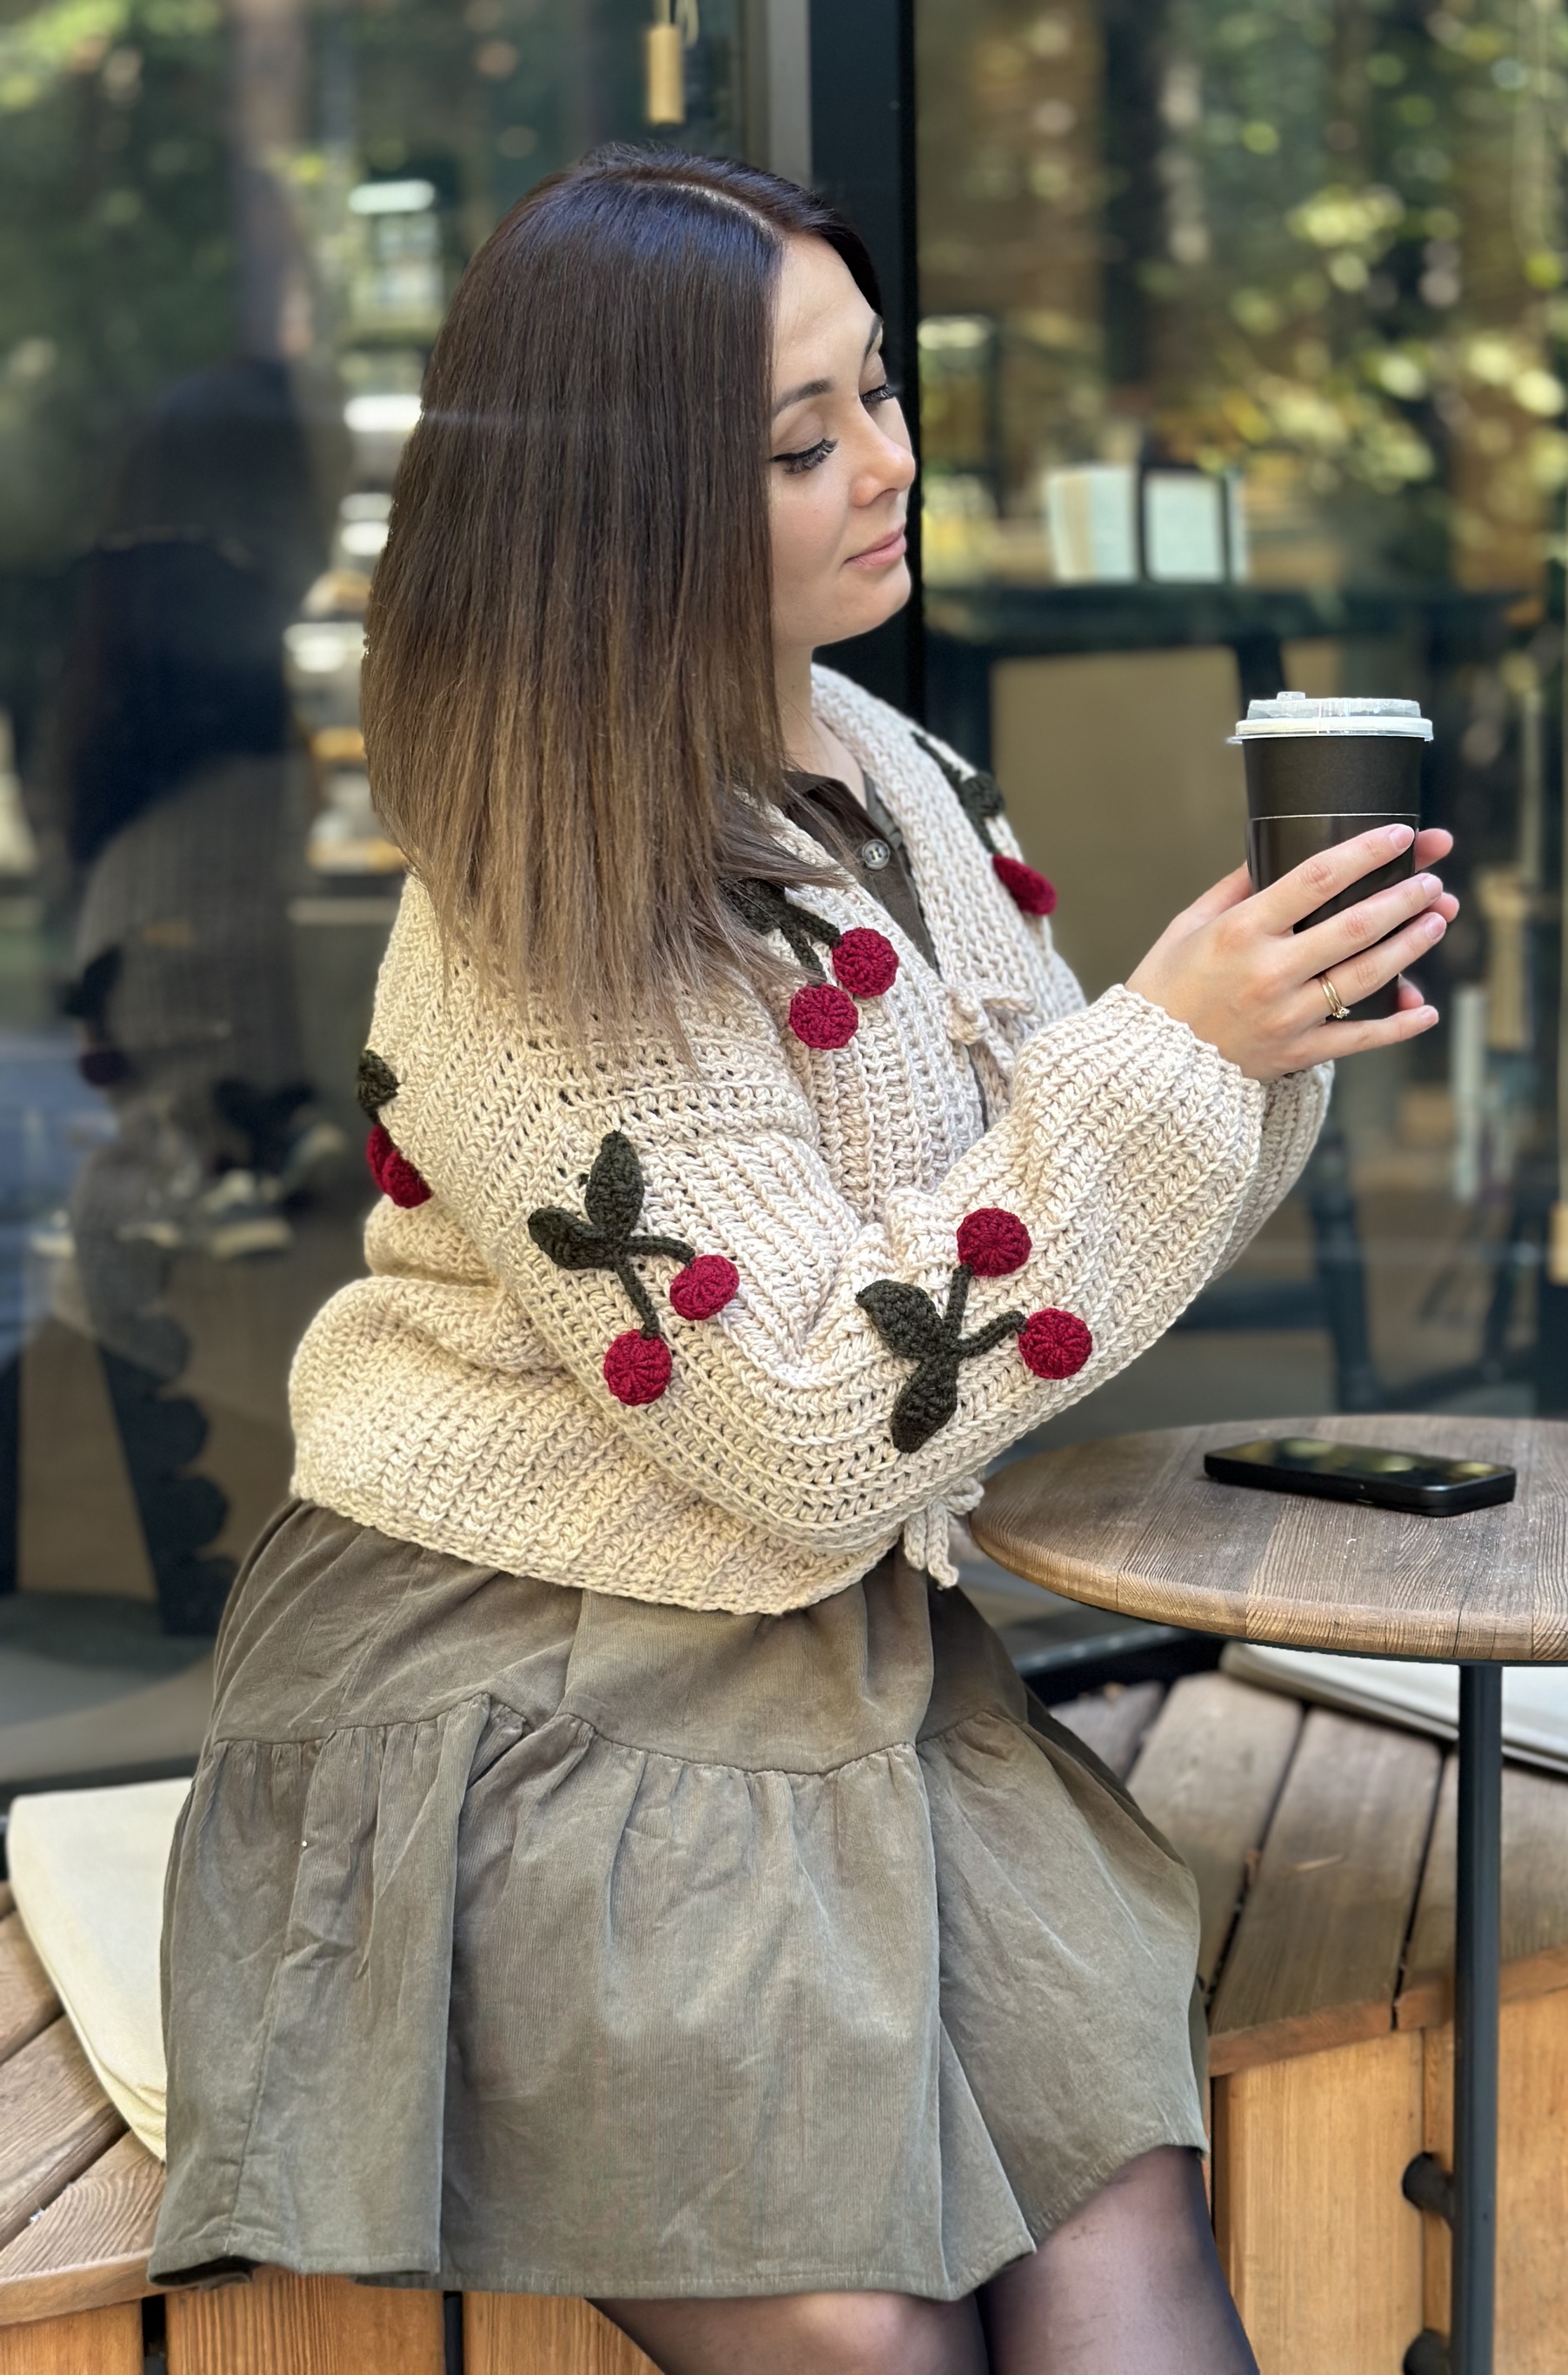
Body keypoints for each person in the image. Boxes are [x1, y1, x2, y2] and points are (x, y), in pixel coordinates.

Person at [149, 150, 1456, 2375]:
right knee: (870, 2337)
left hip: (832, 1661)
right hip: (514, 1694)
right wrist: (1169, 1051)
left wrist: (1259, 1040)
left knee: (1113, 2220)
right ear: (631, 497)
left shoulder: (888, 764)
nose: (889, 465)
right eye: (797, 438)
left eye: (877, 391)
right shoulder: (537, 905)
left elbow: (1049, 1250)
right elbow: (812, 1422)